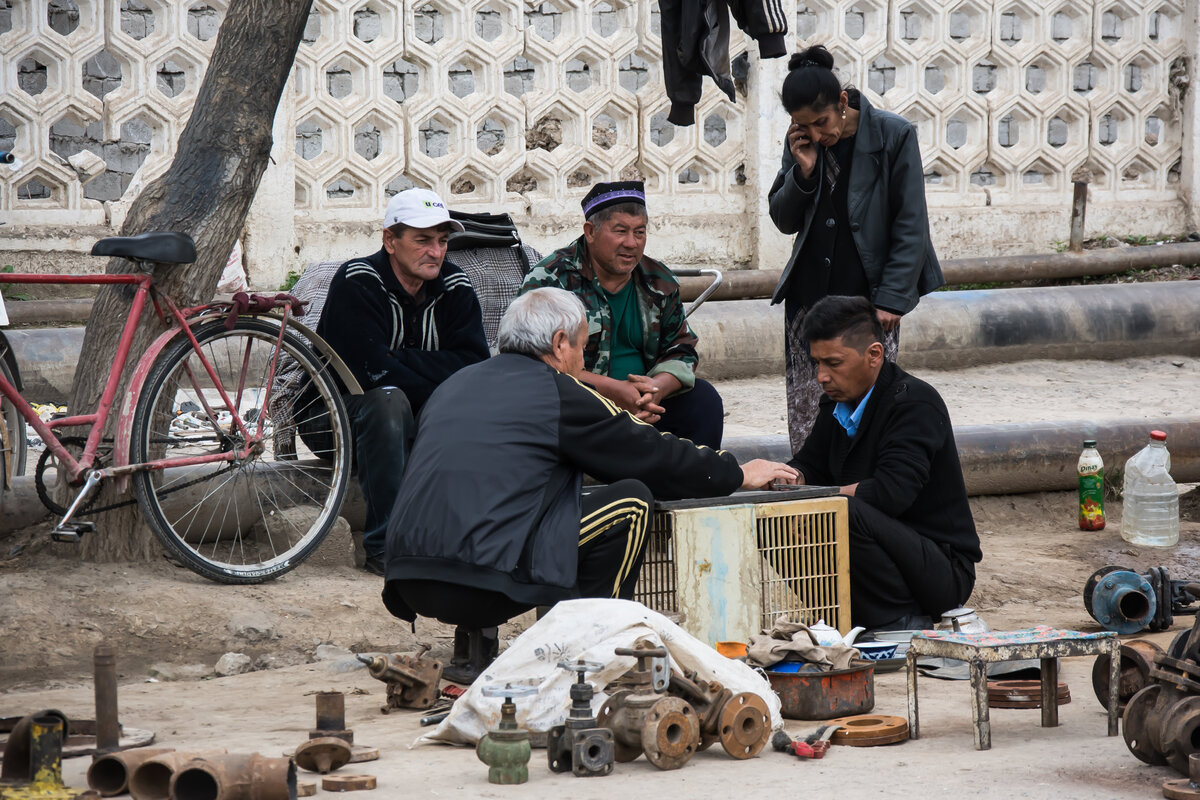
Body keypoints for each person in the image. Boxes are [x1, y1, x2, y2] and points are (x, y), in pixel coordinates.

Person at [381, 287, 797, 681]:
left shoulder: (454, 385)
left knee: (521, 506)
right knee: (631, 501)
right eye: (582, 347)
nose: (584, 362)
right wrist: (737, 472)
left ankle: (472, 648)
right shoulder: (559, 391)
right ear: (561, 343)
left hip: (409, 578)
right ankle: (594, 653)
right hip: (480, 584)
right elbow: (651, 455)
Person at [768, 44, 944, 452]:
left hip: (870, 301)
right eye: (803, 125)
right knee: (811, 407)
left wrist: (892, 299)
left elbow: (911, 223)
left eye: (821, 121)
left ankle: (863, 492)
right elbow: (782, 219)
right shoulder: (801, 141)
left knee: (868, 403)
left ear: (842, 102)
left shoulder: (893, 135)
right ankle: (812, 492)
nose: (816, 132)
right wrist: (804, 172)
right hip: (808, 299)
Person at [777, 295, 980, 632]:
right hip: (887, 554)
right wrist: (785, 480)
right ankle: (847, 614)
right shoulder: (835, 404)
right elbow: (808, 464)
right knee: (775, 512)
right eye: (817, 363)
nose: (821, 377)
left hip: (940, 573)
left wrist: (816, 500)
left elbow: (891, 493)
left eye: (833, 363)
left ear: (874, 355)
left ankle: (897, 619)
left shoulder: (915, 403)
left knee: (840, 508)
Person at [316, 188, 489, 576]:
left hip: (415, 421)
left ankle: (462, 541)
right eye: (423, 240)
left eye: (443, 241)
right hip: (335, 421)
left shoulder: (455, 284)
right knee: (389, 400)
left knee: (469, 404)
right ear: (390, 241)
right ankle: (387, 546)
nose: (436, 251)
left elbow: (475, 365)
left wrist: (400, 358)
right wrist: (433, 374)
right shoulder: (357, 280)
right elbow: (369, 373)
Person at [519, 180, 724, 449]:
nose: (631, 243)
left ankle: (699, 485)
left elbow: (681, 349)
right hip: (579, 406)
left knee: (703, 400)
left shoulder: (658, 279)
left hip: (643, 407)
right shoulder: (551, 280)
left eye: (639, 232)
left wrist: (656, 389)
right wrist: (610, 390)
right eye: (620, 231)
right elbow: (532, 362)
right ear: (590, 232)